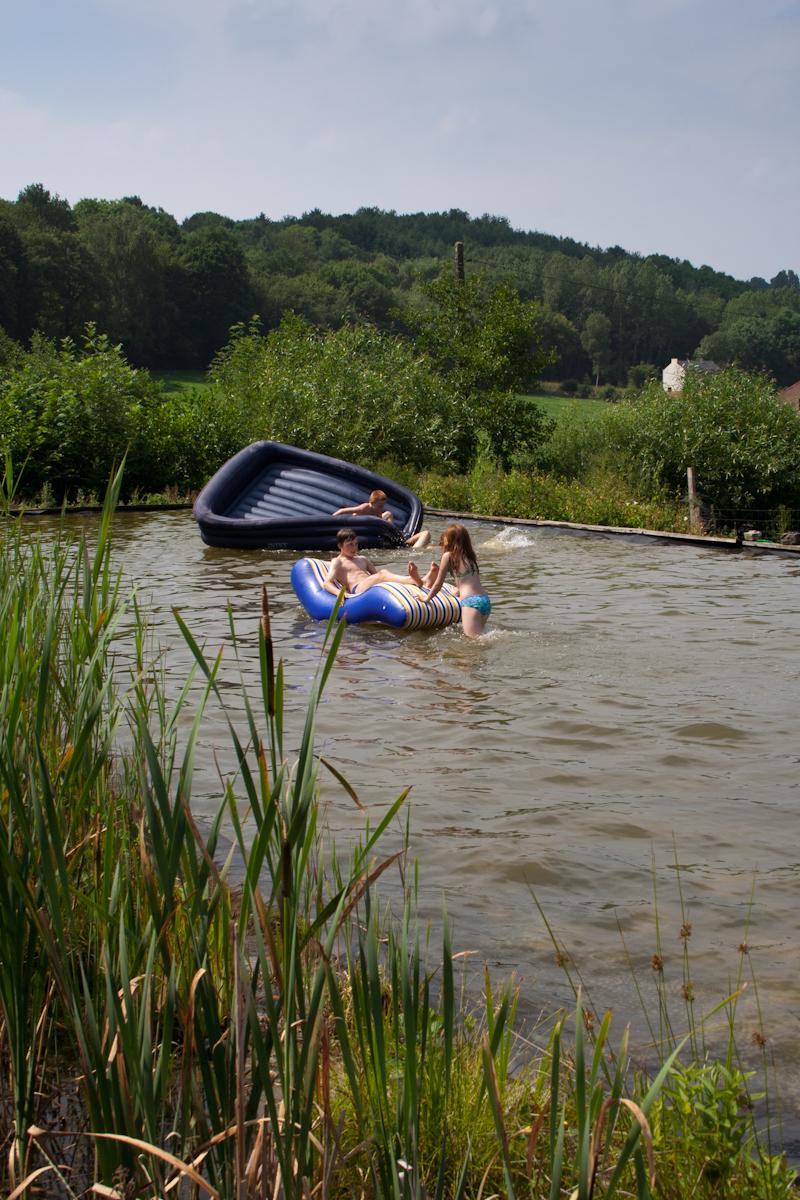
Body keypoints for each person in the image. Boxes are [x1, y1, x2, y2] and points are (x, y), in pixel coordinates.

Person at [418, 523, 491, 638]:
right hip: (485, 600)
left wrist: (426, 598)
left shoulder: (448, 556)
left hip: (471, 602)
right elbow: (470, 580)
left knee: (473, 643)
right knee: (481, 637)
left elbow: (438, 584)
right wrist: (458, 590)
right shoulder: (470, 556)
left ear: (449, 540)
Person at [322, 528, 428, 597]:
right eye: (350, 544)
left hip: (370, 585)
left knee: (383, 575)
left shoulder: (362, 559)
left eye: (356, 544)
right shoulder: (338, 561)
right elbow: (327, 583)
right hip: (357, 589)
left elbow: (375, 575)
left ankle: (420, 580)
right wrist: (342, 594)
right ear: (340, 546)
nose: (354, 547)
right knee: (383, 574)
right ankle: (415, 579)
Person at [331, 490, 431, 549]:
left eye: (382, 506)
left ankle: (394, 532)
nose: (381, 508)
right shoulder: (364, 508)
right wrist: (332, 518)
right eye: (379, 506)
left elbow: (381, 520)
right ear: (372, 502)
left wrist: (391, 530)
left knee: (389, 514)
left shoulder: (378, 512)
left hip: (374, 528)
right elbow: (343, 510)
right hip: (359, 527)